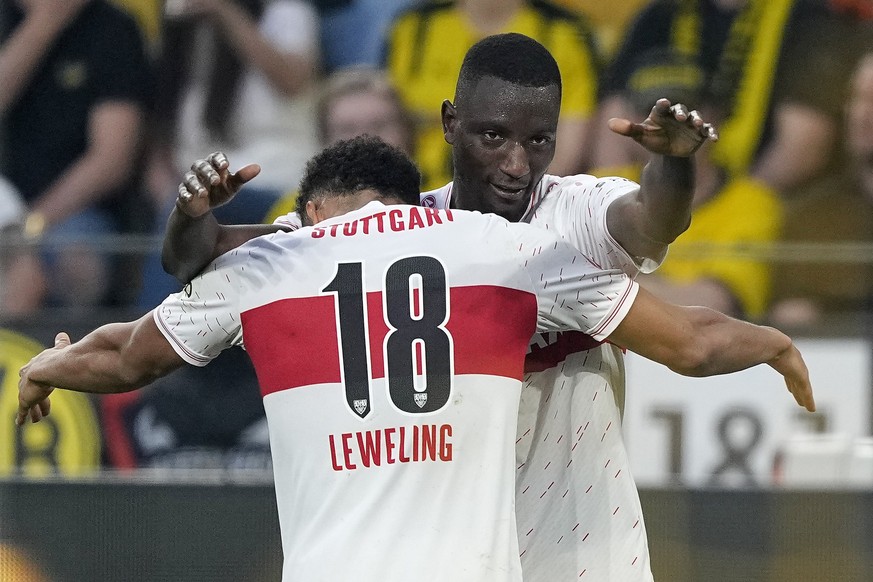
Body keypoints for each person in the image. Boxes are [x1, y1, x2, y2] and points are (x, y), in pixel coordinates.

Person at [17, 137, 814, 582]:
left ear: (312, 212)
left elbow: (123, 357)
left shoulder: (275, 263)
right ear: (411, 202)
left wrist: (42, 368)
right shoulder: (506, 251)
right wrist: (774, 344)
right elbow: (691, 341)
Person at [159, 33, 718, 581]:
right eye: (494, 137)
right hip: (459, 557)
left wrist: (673, 168)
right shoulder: (395, 233)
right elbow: (207, 257)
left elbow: (652, 219)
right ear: (451, 124)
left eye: (539, 141)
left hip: (585, 551)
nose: (517, 164)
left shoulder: (578, 213)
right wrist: (191, 216)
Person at [594, 0, 849, 196]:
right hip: (650, 202)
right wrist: (635, 208)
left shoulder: (810, 17)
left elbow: (803, 146)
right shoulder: (661, 13)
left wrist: (729, 206)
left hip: (766, 210)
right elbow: (614, 127)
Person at [0, 0, 154, 311]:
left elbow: (111, 162)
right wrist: (42, 26)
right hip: (5, 201)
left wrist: (30, 226)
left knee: (78, 266)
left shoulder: (112, 28)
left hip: (76, 212)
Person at [383, 0, 601, 190]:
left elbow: (566, 153)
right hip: (418, 198)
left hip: (518, 201)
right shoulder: (414, 27)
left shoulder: (563, 32)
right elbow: (384, 124)